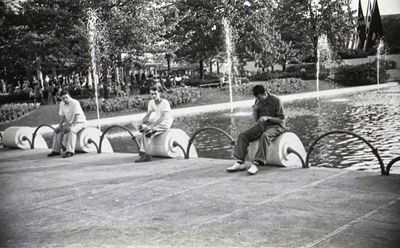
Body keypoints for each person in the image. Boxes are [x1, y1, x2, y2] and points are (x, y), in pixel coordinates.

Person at [227, 85, 286, 175]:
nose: (259, 100)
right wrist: (255, 111)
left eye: (259, 97)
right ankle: (240, 162)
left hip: (276, 126)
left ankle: (257, 163)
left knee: (265, 136)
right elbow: (256, 120)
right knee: (243, 136)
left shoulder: (276, 100)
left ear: (265, 93)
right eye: (257, 98)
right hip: (261, 126)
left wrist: (268, 118)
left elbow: (281, 119)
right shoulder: (258, 101)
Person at [135, 85, 174, 162]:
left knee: (148, 132)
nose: (153, 96)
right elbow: (147, 115)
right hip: (157, 122)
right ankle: (144, 153)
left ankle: (146, 155)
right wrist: (141, 123)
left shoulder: (165, 103)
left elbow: (163, 118)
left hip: (165, 122)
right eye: (151, 94)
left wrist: (151, 126)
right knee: (143, 129)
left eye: (155, 93)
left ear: (159, 93)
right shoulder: (151, 102)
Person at [47, 90, 87, 158]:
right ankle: (56, 151)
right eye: (63, 98)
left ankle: (70, 151)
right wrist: (59, 126)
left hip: (80, 122)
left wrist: (72, 125)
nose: (65, 99)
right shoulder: (62, 104)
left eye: (66, 97)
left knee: (72, 130)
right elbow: (62, 117)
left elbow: (77, 116)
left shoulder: (75, 103)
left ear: (69, 96)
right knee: (58, 131)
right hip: (70, 122)